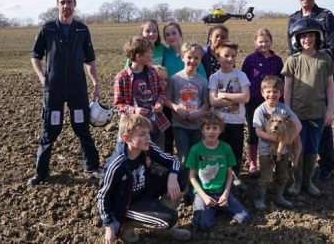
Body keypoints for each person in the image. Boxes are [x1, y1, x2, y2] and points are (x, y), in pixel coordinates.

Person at [28, 0, 102, 185]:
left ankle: (91, 167)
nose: (66, 6)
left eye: (69, 2)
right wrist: (43, 77)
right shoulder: (48, 29)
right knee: (50, 129)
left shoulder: (82, 30)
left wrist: (95, 84)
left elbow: (90, 60)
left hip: (77, 87)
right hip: (54, 87)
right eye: (62, 2)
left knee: (82, 127)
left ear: (75, 4)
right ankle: (41, 172)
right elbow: (35, 55)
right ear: (57, 4)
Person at [97, 114, 191, 244]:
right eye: (142, 134)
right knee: (169, 219)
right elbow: (102, 197)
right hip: (128, 204)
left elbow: (172, 160)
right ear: (127, 138)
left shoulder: (147, 147)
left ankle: (157, 215)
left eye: (148, 132)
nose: (148, 137)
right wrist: (109, 225)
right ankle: (126, 225)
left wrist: (173, 176)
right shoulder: (116, 166)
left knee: (181, 174)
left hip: (145, 190)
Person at [288, 0, 334, 182]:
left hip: (323, 78)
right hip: (300, 81)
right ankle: (300, 169)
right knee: (300, 124)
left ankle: (327, 165)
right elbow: (292, 50)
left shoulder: (325, 16)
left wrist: (315, 59)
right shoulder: (293, 18)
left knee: (324, 124)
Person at [282, 17, 334, 197]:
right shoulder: (293, 60)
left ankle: (308, 181)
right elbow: (287, 87)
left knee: (313, 148)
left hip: (318, 113)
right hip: (296, 114)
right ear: (297, 39)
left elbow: (330, 85)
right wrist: (287, 111)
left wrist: (329, 110)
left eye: (311, 35)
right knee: (298, 147)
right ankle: (297, 182)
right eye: (303, 36)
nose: (307, 39)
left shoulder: (325, 59)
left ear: (318, 37)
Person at [185, 110, 252, 230]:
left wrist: (225, 194)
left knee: (245, 218)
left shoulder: (226, 148)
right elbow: (192, 177)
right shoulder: (196, 150)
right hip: (203, 193)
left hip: (221, 192)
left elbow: (229, 173)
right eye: (207, 128)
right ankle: (211, 208)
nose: (211, 131)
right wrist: (204, 196)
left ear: (220, 130)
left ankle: (220, 205)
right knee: (203, 225)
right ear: (202, 130)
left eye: (215, 128)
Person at [165, 42, 210, 205]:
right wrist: (177, 108)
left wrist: (199, 112)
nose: (192, 61)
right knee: (184, 159)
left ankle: (193, 190)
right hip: (180, 125)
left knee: (196, 158)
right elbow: (167, 99)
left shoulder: (202, 81)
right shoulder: (175, 79)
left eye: (196, 58)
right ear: (183, 57)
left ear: (200, 59)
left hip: (197, 126)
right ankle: (184, 188)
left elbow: (206, 103)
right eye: (189, 57)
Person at [252, 76, 302, 210]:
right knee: (266, 177)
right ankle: (259, 198)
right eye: (268, 92)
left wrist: (289, 139)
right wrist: (273, 138)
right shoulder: (260, 111)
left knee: (283, 175)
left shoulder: (284, 109)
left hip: (284, 151)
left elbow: (298, 125)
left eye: (275, 92)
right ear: (262, 93)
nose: (271, 95)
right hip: (266, 150)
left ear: (280, 93)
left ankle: (278, 196)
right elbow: (258, 132)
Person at [208, 40, 250, 191]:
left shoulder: (241, 75)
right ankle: (220, 177)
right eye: (226, 56)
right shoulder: (214, 77)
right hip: (219, 123)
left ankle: (236, 177)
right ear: (218, 57)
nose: (230, 59)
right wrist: (234, 99)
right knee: (220, 151)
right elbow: (213, 100)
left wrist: (224, 95)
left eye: (233, 56)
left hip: (237, 122)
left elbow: (245, 98)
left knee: (236, 150)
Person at [241, 28, 284, 176]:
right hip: (253, 102)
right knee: (254, 132)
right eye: (260, 41)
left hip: (272, 103)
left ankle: (271, 159)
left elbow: (281, 81)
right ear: (255, 42)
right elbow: (243, 79)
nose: (264, 44)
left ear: (271, 42)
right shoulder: (250, 59)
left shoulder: (277, 60)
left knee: (273, 130)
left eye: (266, 41)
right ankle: (252, 163)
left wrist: (281, 100)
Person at [114, 36, 169, 145]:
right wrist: (134, 110)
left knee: (157, 158)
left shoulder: (153, 72)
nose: (152, 55)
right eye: (149, 53)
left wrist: (159, 103)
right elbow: (118, 104)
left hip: (154, 126)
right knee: (133, 158)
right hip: (134, 129)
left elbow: (161, 93)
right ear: (139, 56)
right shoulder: (122, 77)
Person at [162, 22, 207, 155]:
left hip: (195, 117)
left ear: (180, 34)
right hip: (172, 103)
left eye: (174, 33)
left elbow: (204, 94)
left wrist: (200, 111)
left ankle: (192, 174)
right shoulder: (164, 53)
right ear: (183, 58)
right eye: (167, 34)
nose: (171, 37)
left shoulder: (191, 52)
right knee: (170, 138)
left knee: (195, 152)